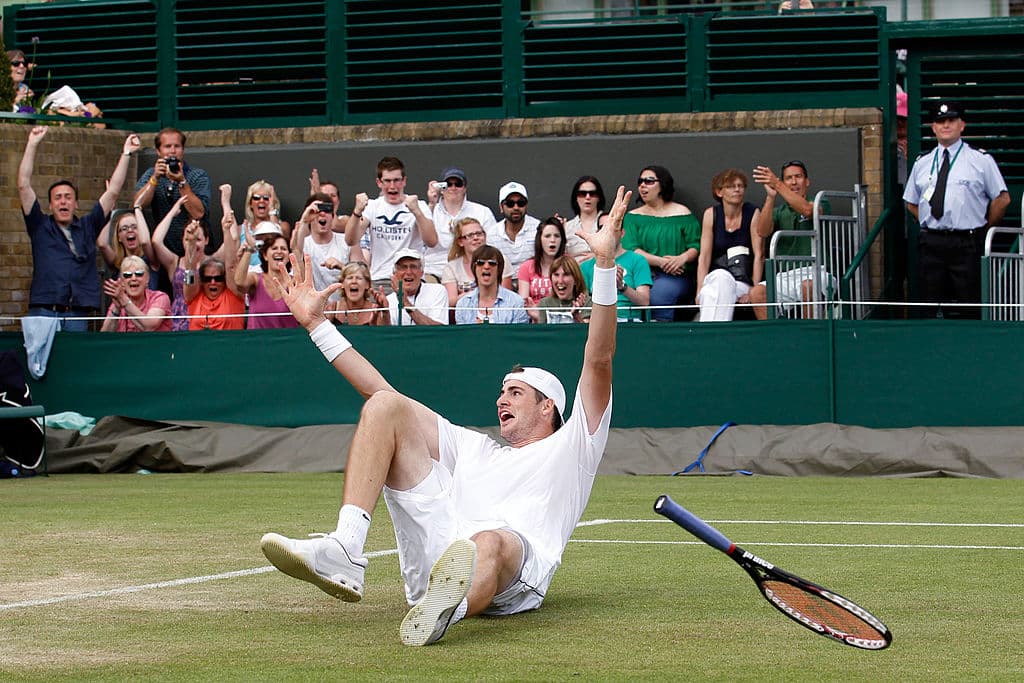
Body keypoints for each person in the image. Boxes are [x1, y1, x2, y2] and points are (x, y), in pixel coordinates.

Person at [259, 184, 631, 646]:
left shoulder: (574, 446)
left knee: (493, 541)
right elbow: (382, 396)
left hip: (514, 563)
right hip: (441, 553)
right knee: (385, 405)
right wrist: (318, 326)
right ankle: (347, 549)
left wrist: (606, 267)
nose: (502, 400)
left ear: (547, 406)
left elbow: (598, 358)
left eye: (515, 393)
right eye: (501, 392)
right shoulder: (477, 449)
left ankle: (444, 615)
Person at [18, 126, 140, 331]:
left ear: (75, 203)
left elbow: (112, 192)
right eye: (57, 198)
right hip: (44, 311)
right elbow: (23, 185)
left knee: (74, 361)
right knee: (39, 364)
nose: (63, 202)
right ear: (50, 205)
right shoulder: (39, 225)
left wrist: (126, 153)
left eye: (68, 197)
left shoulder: (87, 226)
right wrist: (32, 143)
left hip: (77, 313)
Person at [904, 100, 1010, 320]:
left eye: (951, 120)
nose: (945, 125)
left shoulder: (980, 160)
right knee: (927, 303)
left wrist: (984, 226)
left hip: (966, 242)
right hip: (931, 242)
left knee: (968, 302)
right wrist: (928, 219)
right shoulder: (922, 163)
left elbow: (1002, 199)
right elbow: (911, 202)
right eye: (940, 121)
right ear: (933, 127)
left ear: (962, 125)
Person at [749, 160, 834, 320]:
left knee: (807, 287)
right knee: (757, 293)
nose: (794, 182)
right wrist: (771, 196)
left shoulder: (820, 202)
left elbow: (809, 211)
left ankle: (809, 336)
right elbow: (762, 231)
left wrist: (778, 184)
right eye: (788, 178)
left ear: (807, 181)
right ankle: (777, 339)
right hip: (785, 275)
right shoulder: (779, 211)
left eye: (798, 177)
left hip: (816, 272)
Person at [345, 156, 438, 293]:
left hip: (411, 278)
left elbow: (432, 241)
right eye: (387, 181)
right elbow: (350, 240)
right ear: (379, 183)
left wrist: (416, 212)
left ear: (404, 181)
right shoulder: (372, 206)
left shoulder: (420, 206)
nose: (392, 186)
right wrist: (357, 212)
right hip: (380, 279)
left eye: (397, 180)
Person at [621, 165, 700, 321]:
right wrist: (662, 262)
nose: (643, 185)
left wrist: (681, 259)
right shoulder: (633, 217)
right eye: (640, 181)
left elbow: (696, 245)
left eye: (649, 181)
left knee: (659, 296)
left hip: (678, 276)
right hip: (642, 274)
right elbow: (631, 248)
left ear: (662, 184)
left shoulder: (682, 213)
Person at [152, 198, 230, 332]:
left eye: (198, 239)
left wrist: (225, 203)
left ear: (206, 240)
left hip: (203, 321)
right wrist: (172, 212)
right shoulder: (174, 262)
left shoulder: (212, 262)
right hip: (178, 323)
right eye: (187, 239)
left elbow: (230, 241)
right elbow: (156, 241)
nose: (192, 243)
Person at [695, 169, 763, 322]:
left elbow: (759, 254)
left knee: (711, 293)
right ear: (719, 192)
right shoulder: (711, 214)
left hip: (742, 283)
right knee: (715, 284)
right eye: (731, 186)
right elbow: (704, 256)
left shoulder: (752, 213)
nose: (737, 189)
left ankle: (709, 333)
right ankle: (717, 332)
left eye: (741, 186)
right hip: (715, 278)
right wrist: (698, 289)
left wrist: (754, 289)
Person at [132, 127, 211, 257]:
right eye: (167, 146)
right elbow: (137, 204)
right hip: (162, 249)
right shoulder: (151, 174)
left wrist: (181, 182)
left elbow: (198, 213)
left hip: (194, 249)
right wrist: (154, 179)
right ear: (158, 151)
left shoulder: (198, 175)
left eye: (177, 146)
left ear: (183, 149)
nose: (172, 151)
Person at [424, 167, 496, 282]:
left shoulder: (482, 212)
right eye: (448, 184)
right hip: (434, 271)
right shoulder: (430, 210)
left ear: (465, 188)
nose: (453, 188)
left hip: (471, 271)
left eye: (458, 184)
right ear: (441, 188)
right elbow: (421, 242)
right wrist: (432, 203)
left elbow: (492, 245)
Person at [292, 193, 351, 306]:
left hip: (344, 309)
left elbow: (361, 275)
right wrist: (304, 220)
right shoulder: (304, 243)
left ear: (333, 216)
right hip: (315, 310)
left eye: (327, 210)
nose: (322, 214)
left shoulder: (345, 242)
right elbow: (296, 252)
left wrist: (342, 267)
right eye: (317, 211)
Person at [580, 230, 652, 323]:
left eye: (613, 229)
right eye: (603, 229)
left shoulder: (638, 260)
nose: (607, 233)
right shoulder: (586, 266)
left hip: (629, 322)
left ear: (622, 233)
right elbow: (583, 302)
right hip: (597, 321)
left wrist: (622, 286)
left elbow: (644, 301)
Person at [441, 218, 513, 310]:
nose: (476, 238)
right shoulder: (451, 267)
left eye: (479, 234)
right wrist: (481, 293)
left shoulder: (501, 260)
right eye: (470, 235)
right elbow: (451, 302)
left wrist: (466, 295)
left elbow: (506, 297)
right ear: (460, 242)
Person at [233, 233, 298, 329]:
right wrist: (249, 250)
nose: (279, 251)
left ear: (288, 256)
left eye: (283, 249)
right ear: (265, 255)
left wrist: (297, 249)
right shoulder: (255, 279)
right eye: (274, 248)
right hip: (257, 341)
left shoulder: (294, 282)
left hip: (288, 342)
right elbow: (239, 282)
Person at [454, 246, 530, 325]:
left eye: (492, 263)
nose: (486, 267)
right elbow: (462, 336)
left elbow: (517, 335)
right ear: (474, 268)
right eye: (480, 263)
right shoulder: (463, 304)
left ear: (499, 269)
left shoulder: (516, 302)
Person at [100, 255, 172, 332]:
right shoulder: (120, 299)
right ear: (122, 281)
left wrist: (125, 301)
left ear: (147, 279)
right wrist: (116, 309)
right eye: (127, 275)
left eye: (139, 274)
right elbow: (105, 335)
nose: (133, 278)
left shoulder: (160, 297)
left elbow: (149, 327)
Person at [487, 181, 540, 283]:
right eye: (510, 204)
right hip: (501, 283)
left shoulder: (538, 228)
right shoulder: (492, 234)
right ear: (501, 207)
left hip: (533, 283)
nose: (516, 207)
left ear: (526, 205)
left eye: (521, 203)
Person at [96, 208, 160, 290]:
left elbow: (145, 242)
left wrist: (138, 208)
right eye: (124, 228)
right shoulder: (117, 262)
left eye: (134, 227)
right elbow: (102, 244)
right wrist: (109, 211)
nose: (130, 230)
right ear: (119, 237)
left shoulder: (151, 259)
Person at [518, 217, 567, 321]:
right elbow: (524, 301)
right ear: (539, 239)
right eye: (547, 236)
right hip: (533, 322)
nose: (552, 240)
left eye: (557, 236)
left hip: (560, 320)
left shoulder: (569, 265)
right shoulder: (526, 267)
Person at [385, 249, 449, 326]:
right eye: (403, 267)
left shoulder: (437, 291)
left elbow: (438, 330)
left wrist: (406, 303)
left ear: (422, 272)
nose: (408, 272)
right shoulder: (389, 300)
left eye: (413, 267)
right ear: (394, 273)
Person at [187, 257, 245, 330]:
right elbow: (189, 271)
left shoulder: (234, 295)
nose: (213, 282)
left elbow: (231, 266)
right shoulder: (194, 296)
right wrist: (190, 247)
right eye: (207, 279)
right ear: (201, 281)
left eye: (218, 279)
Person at [535, 255, 592, 324]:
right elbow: (541, 333)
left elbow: (586, 332)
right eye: (556, 275)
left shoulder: (587, 303)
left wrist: (576, 316)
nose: (560, 281)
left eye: (566, 275)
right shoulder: (545, 303)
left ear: (576, 280)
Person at [563, 175, 608, 263]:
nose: (587, 197)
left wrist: (598, 256)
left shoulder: (609, 223)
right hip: (575, 273)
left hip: (602, 270)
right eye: (582, 194)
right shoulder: (567, 227)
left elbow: (621, 250)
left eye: (592, 193)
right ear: (576, 197)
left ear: (599, 197)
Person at [331, 262, 390, 326]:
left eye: (359, 278)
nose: (354, 281)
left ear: (367, 284)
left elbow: (385, 334)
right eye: (350, 278)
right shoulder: (333, 309)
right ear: (342, 284)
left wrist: (385, 312)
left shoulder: (375, 309)